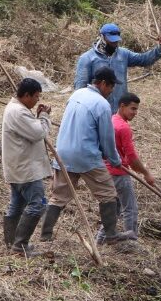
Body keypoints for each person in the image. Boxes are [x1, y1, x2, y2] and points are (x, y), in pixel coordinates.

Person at [42, 67, 127, 247]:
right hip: (86, 156)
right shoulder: (102, 104)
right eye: (111, 86)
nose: (112, 91)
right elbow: (106, 138)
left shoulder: (77, 94)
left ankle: (46, 234)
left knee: (58, 197)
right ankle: (111, 235)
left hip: (63, 152)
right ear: (103, 84)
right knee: (108, 195)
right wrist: (115, 160)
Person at [98, 92, 154, 253]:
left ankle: (100, 242)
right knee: (129, 208)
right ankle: (132, 243)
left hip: (105, 171)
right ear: (122, 106)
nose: (135, 113)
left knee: (113, 210)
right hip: (119, 173)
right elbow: (131, 157)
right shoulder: (123, 127)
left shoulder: (110, 122)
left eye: (136, 110)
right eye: (132, 109)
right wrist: (146, 173)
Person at [1, 78, 52, 257]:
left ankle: (12, 243)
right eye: (36, 96)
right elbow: (38, 133)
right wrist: (45, 117)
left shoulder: (18, 109)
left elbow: (31, 130)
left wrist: (38, 117)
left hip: (18, 167)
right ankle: (19, 245)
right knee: (37, 204)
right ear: (27, 95)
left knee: (17, 204)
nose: (37, 100)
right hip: (26, 169)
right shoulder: (18, 112)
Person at [74, 23, 161, 112]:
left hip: (119, 111)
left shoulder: (123, 54)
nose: (114, 44)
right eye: (111, 41)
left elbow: (143, 59)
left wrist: (160, 49)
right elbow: (80, 89)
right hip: (97, 110)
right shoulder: (87, 58)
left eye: (116, 41)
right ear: (102, 37)